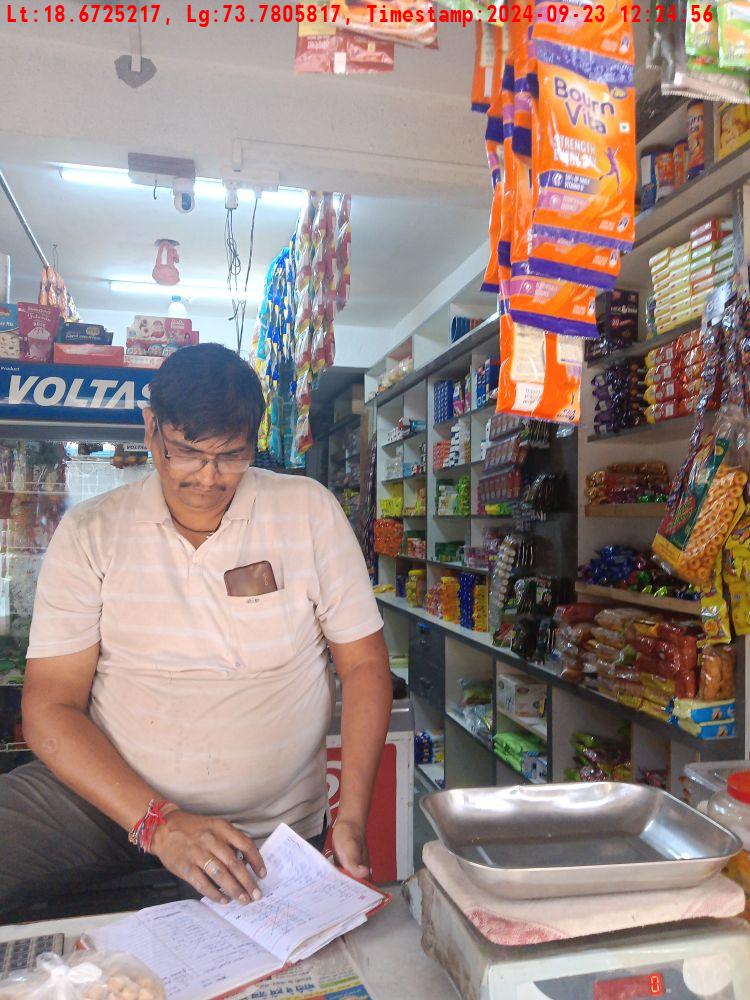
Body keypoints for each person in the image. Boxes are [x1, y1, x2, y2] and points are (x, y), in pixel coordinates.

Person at [0, 343, 391, 916]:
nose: (209, 477)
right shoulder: (91, 532)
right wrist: (158, 822)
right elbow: (49, 706)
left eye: (231, 456)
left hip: (266, 834)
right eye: (187, 452)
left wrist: (352, 815)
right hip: (109, 810)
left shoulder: (309, 512)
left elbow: (364, 665)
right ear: (151, 429)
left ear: (254, 441)